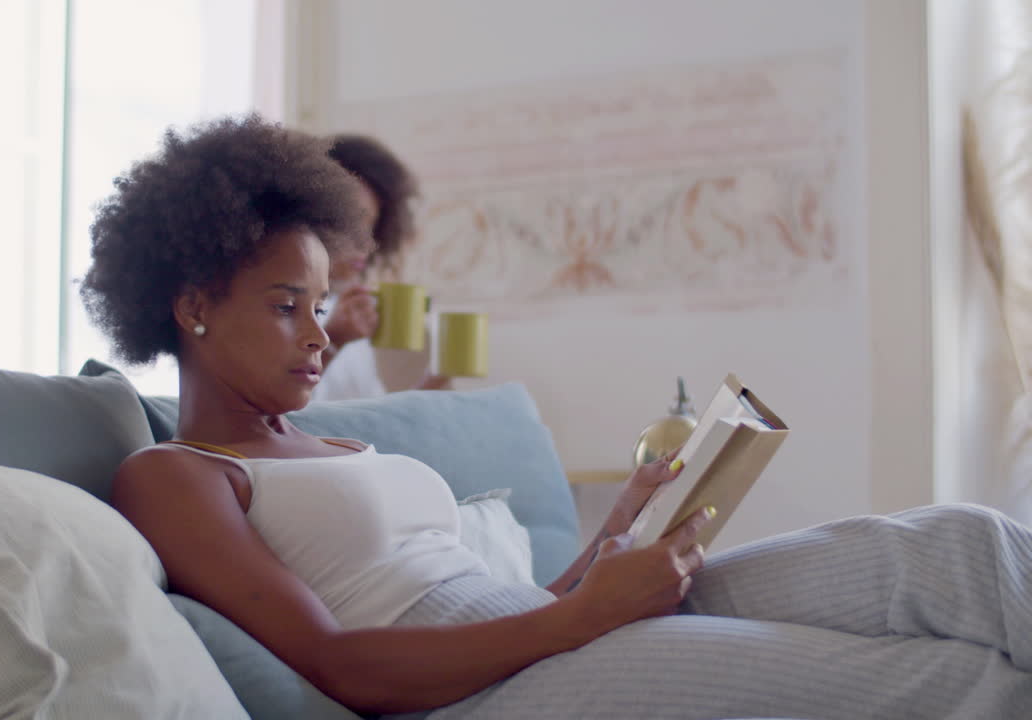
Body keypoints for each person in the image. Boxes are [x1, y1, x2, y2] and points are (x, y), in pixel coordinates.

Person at [80, 114, 1032, 719]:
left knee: (958, 544)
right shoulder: (175, 475)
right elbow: (344, 667)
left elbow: (500, 600)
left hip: (541, 633)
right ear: (194, 305)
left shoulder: (333, 440)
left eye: (322, 306)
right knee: (948, 687)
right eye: (289, 306)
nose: (320, 334)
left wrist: (611, 541)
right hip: (494, 693)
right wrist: (581, 616)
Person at [313, 133, 450, 401]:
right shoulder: (278, 311)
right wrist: (333, 341)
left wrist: (431, 387)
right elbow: (277, 413)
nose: (368, 245)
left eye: (372, 228)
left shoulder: (348, 315)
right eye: (352, 223)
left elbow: (366, 415)